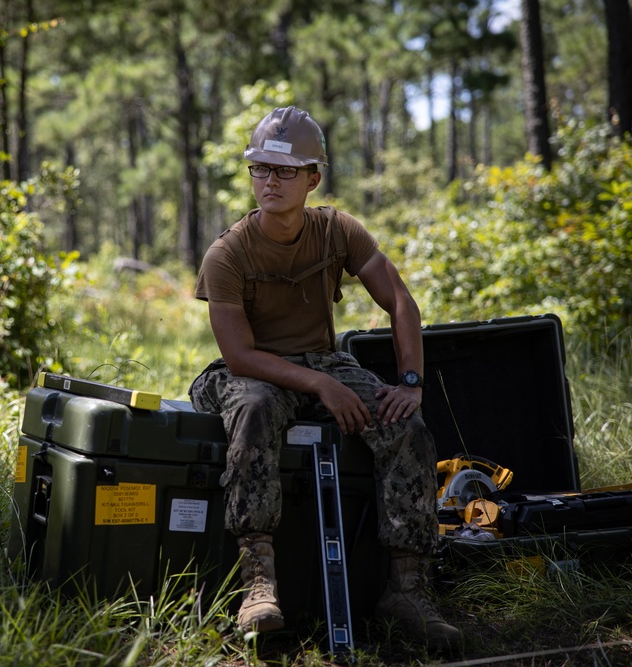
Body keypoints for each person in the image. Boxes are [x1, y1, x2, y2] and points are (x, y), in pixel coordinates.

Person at [188, 106, 460, 652]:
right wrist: (320, 387)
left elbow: (401, 302)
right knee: (256, 408)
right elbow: (240, 357)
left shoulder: (337, 231)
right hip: (253, 370)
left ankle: (406, 591)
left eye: (285, 171)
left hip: (321, 362)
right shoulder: (228, 253)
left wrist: (410, 382)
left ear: (313, 178)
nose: (270, 181)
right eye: (261, 169)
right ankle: (257, 583)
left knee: (406, 426)